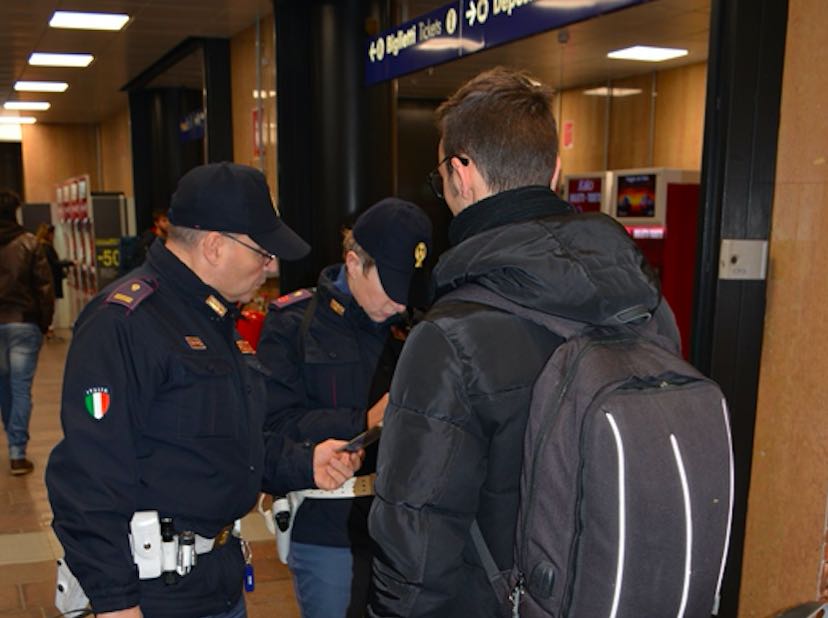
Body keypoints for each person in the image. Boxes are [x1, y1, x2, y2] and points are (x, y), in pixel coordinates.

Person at [367, 68, 662, 616]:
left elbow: (416, 539)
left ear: (462, 172)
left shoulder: (449, 336)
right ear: (553, 171)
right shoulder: (645, 305)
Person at [46, 162, 363, 618]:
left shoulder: (215, 321)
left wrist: (304, 461)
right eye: (262, 252)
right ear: (215, 246)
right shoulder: (126, 323)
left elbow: (230, 443)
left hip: (217, 584)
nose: (270, 265)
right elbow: (88, 477)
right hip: (154, 599)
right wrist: (116, 603)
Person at [257, 197, 432, 618]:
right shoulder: (293, 324)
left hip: (408, 528)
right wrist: (364, 423)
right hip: (328, 528)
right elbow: (271, 426)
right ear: (354, 263)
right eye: (390, 286)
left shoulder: (418, 327)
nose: (399, 303)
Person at [0, 191, 55, 476]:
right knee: (20, 388)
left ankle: (14, 439)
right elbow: (44, 288)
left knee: (4, 387)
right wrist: (45, 323)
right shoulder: (29, 243)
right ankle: (17, 452)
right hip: (23, 322)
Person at [35, 223, 72, 301]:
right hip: (53, 280)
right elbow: (54, 263)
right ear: (47, 234)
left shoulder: (40, 246)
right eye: (52, 234)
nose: (53, 237)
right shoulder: (46, 247)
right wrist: (69, 262)